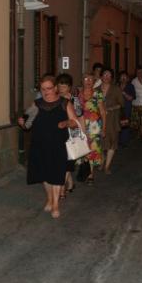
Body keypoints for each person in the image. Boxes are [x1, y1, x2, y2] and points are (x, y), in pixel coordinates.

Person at [18, 74, 83, 219]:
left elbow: (75, 122)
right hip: (40, 144)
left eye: (48, 88)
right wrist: (23, 122)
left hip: (59, 144)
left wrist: (66, 123)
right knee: (44, 174)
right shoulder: (37, 104)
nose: (45, 92)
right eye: (43, 89)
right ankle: (49, 198)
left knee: (57, 174)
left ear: (55, 88)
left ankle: (55, 205)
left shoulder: (64, 103)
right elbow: (28, 122)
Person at [56, 73, 86, 198]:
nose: (61, 89)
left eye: (64, 86)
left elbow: (80, 116)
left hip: (72, 134)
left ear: (69, 87)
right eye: (59, 86)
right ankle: (70, 184)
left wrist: (83, 134)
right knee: (62, 161)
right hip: (58, 134)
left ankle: (62, 189)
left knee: (68, 160)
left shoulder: (74, 99)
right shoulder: (54, 99)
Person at [78, 74, 107, 184]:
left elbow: (103, 112)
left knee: (92, 150)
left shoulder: (97, 94)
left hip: (94, 127)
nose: (88, 81)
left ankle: (90, 175)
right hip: (80, 126)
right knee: (83, 150)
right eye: (86, 79)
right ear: (82, 81)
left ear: (94, 81)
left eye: (91, 79)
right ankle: (84, 170)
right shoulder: (77, 94)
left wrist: (104, 128)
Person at [100, 68, 124, 174]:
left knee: (112, 142)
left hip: (112, 119)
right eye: (105, 75)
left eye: (109, 75)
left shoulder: (116, 89)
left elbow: (121, 103)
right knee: (99, 142)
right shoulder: (95, 89)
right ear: (101, 76)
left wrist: (111, 108)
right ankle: (102, 158)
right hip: (99, 120)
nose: (107, 77)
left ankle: (107, 166)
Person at [118, 71, 135, 147]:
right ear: (119, 78)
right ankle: (118, 140)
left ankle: (124, 141)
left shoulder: (130, 86)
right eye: (122, 76)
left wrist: (123, 93)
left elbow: (131, 98)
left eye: (125, 77)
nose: (123, 78)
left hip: (126, 107)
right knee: (117, 124)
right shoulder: (116, 85)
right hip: (116, 108)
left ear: (128, 78)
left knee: (125, 124)